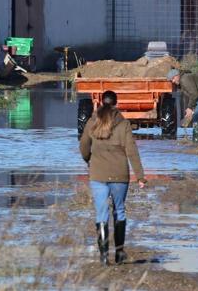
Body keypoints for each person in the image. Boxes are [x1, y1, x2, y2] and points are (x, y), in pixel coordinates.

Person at [79, 90, 146, 266]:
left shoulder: (93, 121)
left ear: (101, 102)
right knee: (119, 211)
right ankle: (119, 253)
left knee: (101, 213)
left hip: (98, 173)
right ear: (116, 103)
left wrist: (89, 160)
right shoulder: (123, 124)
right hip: (119, 174)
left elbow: (84, 146)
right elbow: (131, 151)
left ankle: (103, 257)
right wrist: (140, 176)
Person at [167, 68, 198, 142]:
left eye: (173, 79)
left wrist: (190, 108)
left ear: (177, 75)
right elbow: (194, 95)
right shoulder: (183, 80)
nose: (173, 81)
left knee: (196, 117)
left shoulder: (184, 79)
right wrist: (191, 108)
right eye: (171, 81)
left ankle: (196, 142)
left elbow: (194, 94)